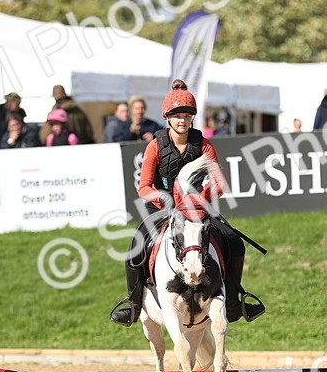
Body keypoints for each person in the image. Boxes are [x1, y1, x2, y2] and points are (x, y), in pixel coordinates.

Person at [109, 80, 264, 327]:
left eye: (187, 116)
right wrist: (166, 200)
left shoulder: (203, 145)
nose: (182, 120)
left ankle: (234, 302)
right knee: (135, 249)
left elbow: (219, 184)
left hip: (197, 208)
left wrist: (199, 200)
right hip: (161, 208)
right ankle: (133, 304)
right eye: (177, 116)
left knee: (234, 243)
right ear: (167, 118)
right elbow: (144, 187)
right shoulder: (155, 146)